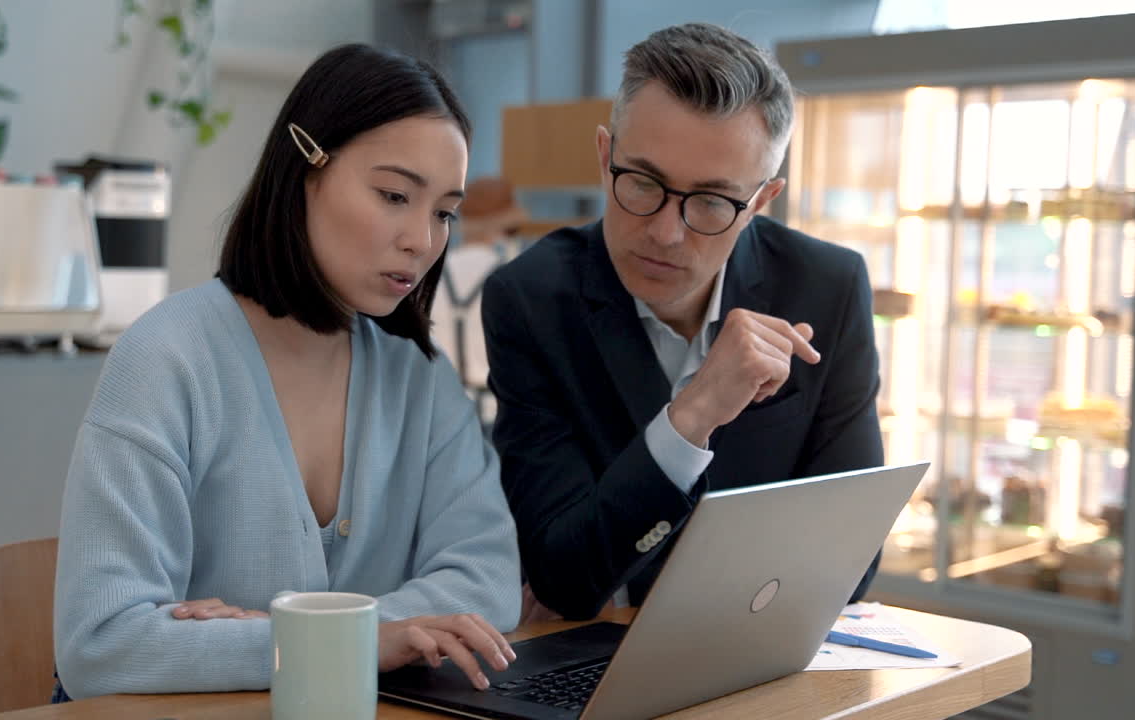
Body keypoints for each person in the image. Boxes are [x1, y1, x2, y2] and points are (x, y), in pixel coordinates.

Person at [52, 43, 521, 701]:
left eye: (444, 211)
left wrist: (292, 636)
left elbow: (487, 582)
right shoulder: (165, 360)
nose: (422, 239)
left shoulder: (419, 375)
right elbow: (98, 647)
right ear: (306, 169)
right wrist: (358, 638)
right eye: (393, 195)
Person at [482, 23, 884, 621]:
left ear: (762, 202)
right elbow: (563, 575)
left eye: (712, 203)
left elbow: (850, 558)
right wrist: (693, 417)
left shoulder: (826, 288)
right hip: (599, 667)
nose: (666, 233)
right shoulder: (534, 299)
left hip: (761, 664)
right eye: (642, 184)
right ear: (603, 156)